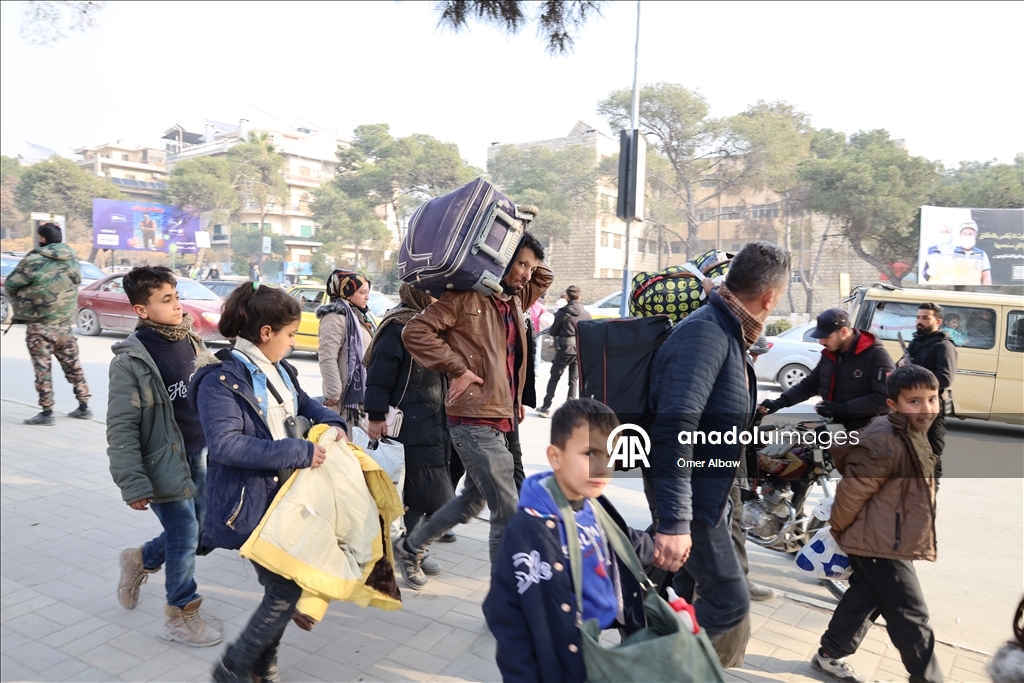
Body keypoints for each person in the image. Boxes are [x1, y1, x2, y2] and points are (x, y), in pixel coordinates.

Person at [191, 283, 348, 683]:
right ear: (266, 333)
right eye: (290, 334)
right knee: (285, 590)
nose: (293, 342)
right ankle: (233, 667)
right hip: (253, 504)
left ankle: (262, 667)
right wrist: (298, 452)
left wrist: (333, 422)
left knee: (285, 586)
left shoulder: (278, 369)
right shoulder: (221, 379)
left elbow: (303, 403)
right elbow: (226, 445)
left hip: (286, 499)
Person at [648, 241, 791, 667]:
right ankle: (650, 669)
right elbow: (675, 431)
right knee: (729, 600)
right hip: (693, 501)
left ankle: (655, 661)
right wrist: (675, 522)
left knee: (678, 593)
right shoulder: (707, 333)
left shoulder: (726, 331)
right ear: (770, 298)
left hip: (709, 496)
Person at [394, 232, 553, 576]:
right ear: (503, 261)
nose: (527, 274)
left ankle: (410, 546)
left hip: (502, 416)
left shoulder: (514, 299)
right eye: (521, 264)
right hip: (473, 418)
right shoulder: (464, 298)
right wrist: (459, 369)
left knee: (472, 501)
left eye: (530, 267)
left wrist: (520, 236)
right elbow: (415, 332)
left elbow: (545, 277)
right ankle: (506, 596)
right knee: (507, 509)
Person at [482, 398, 654, 682]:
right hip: (560, 650)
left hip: (595, 639)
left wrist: (658, 548)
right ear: (555, 457)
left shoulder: (594, 506)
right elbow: (504, 610)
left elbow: (620, 540)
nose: (602, 467)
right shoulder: (529, 529)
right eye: (589, 453)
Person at [107, 266, 221, 647]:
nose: (177, 305)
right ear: (142, 310)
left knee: (197, 528)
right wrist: (133, 482)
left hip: (196, 453)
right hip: (160, 463)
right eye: (166, 300)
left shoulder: (189, 338)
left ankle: (140, 559)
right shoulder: (131, 360)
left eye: (176, 296)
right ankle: (181, 613)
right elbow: (121, 426)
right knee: (185, 532)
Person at [812, 365, 943, 683]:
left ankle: (829, 654)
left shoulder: (910, 431)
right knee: (912, 616)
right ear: (893, 405)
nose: (926, 408)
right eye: (914, 401)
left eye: (932, 399)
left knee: (866, 597)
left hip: (888, 536)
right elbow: (851, 494)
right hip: (877, 543)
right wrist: (839, 531)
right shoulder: (886, 440)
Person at [363, 283, 456, 588]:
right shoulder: (398, 327)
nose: (439, 299)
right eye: (433, 293)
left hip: (434, 419)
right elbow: (378, 378)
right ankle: (408, 552)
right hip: (406, 424)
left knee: (427, 493)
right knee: (412, 493)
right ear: (417, 294)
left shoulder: (436, 325)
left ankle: (414, 548)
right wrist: (375, 416)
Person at [4, 222, 92, 425]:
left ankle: (47, 413)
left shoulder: (33, 259)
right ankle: (84, 406)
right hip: (64, 326)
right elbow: (76, 282)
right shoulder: (73, 260)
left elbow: (11, 284)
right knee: (74, 366)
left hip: (39, 326)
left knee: (42, 371)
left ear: (42, 239)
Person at [759, 308, 894, 432]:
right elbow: (810, 385)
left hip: (869, 433)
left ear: (844, 332)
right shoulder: (830, 355)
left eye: (826, 337)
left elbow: (885, 398)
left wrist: (841, 409)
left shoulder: (876, 354)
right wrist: (779, 403)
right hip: (838, 429)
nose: (821, 342)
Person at [318, 270, 377, 431]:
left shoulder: (360, 316)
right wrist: (333, 391)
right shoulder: (334, 317)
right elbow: (327, 356)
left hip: (362, 395)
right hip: (344, 397)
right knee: (348, 440)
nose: (367, 297)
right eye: (362, 292)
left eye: (367, 292)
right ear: (347, 294)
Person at [904, 303, 957, 467]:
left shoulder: (944, 346)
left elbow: (944, 378)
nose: (919, 321)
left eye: (925, 318)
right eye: (918, 317)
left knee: (931, 453)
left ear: (938, 322)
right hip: (911, 406)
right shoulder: (916, 342)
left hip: (931, 408)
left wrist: (915, 376)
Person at [536, 285, 591, 418]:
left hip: (564, 349)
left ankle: (545, 407)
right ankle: (571, 409)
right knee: (573, 380)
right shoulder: (586, 314)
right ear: (579, 297)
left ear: (567, 297)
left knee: (554, 378)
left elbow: (553, 331)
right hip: (579, 350)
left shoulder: (562, 312)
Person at [951, 220, 992, 286]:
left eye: (970, 234)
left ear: (975, 235)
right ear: (960, 235)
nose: (967, 236)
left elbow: (986, 277)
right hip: (956, 290)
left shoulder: (981, 254)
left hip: (975, 291)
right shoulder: (953, 253)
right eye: (964, 234)